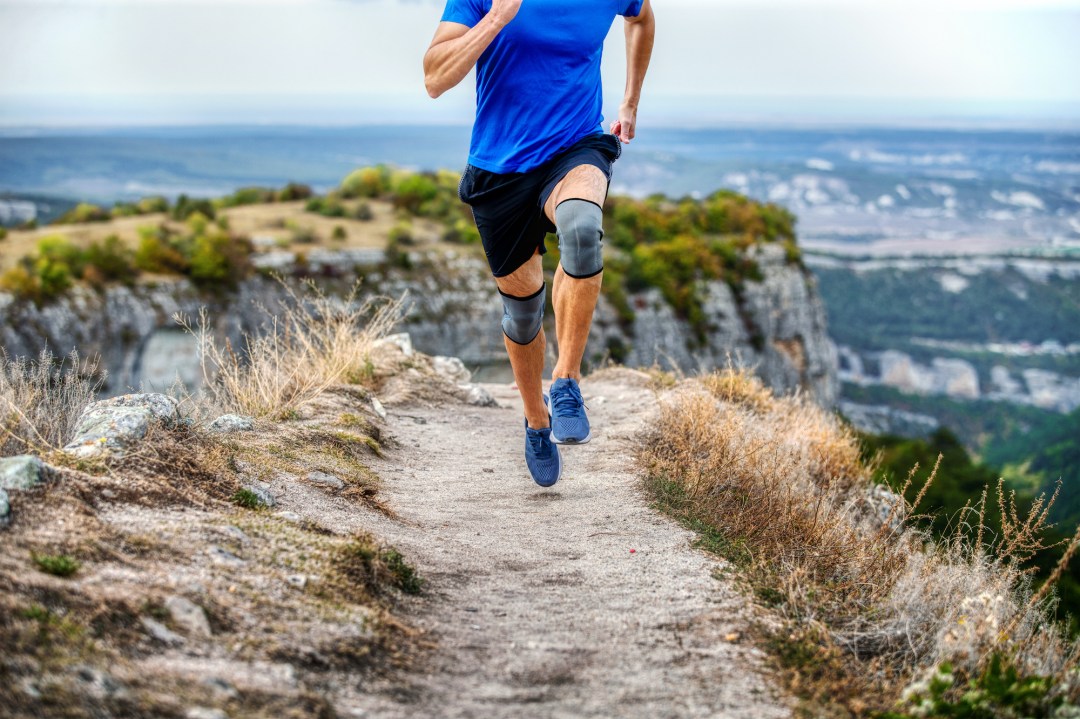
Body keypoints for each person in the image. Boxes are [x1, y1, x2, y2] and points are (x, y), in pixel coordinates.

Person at [424, 0, 655, 487]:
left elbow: (642, 17)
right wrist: (497, 18)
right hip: (499, 170)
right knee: (523, 312)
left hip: (576, 146)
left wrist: (630, 99)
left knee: (581, 231)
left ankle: (567, 380)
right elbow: (435, 79)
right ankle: (535, 420)